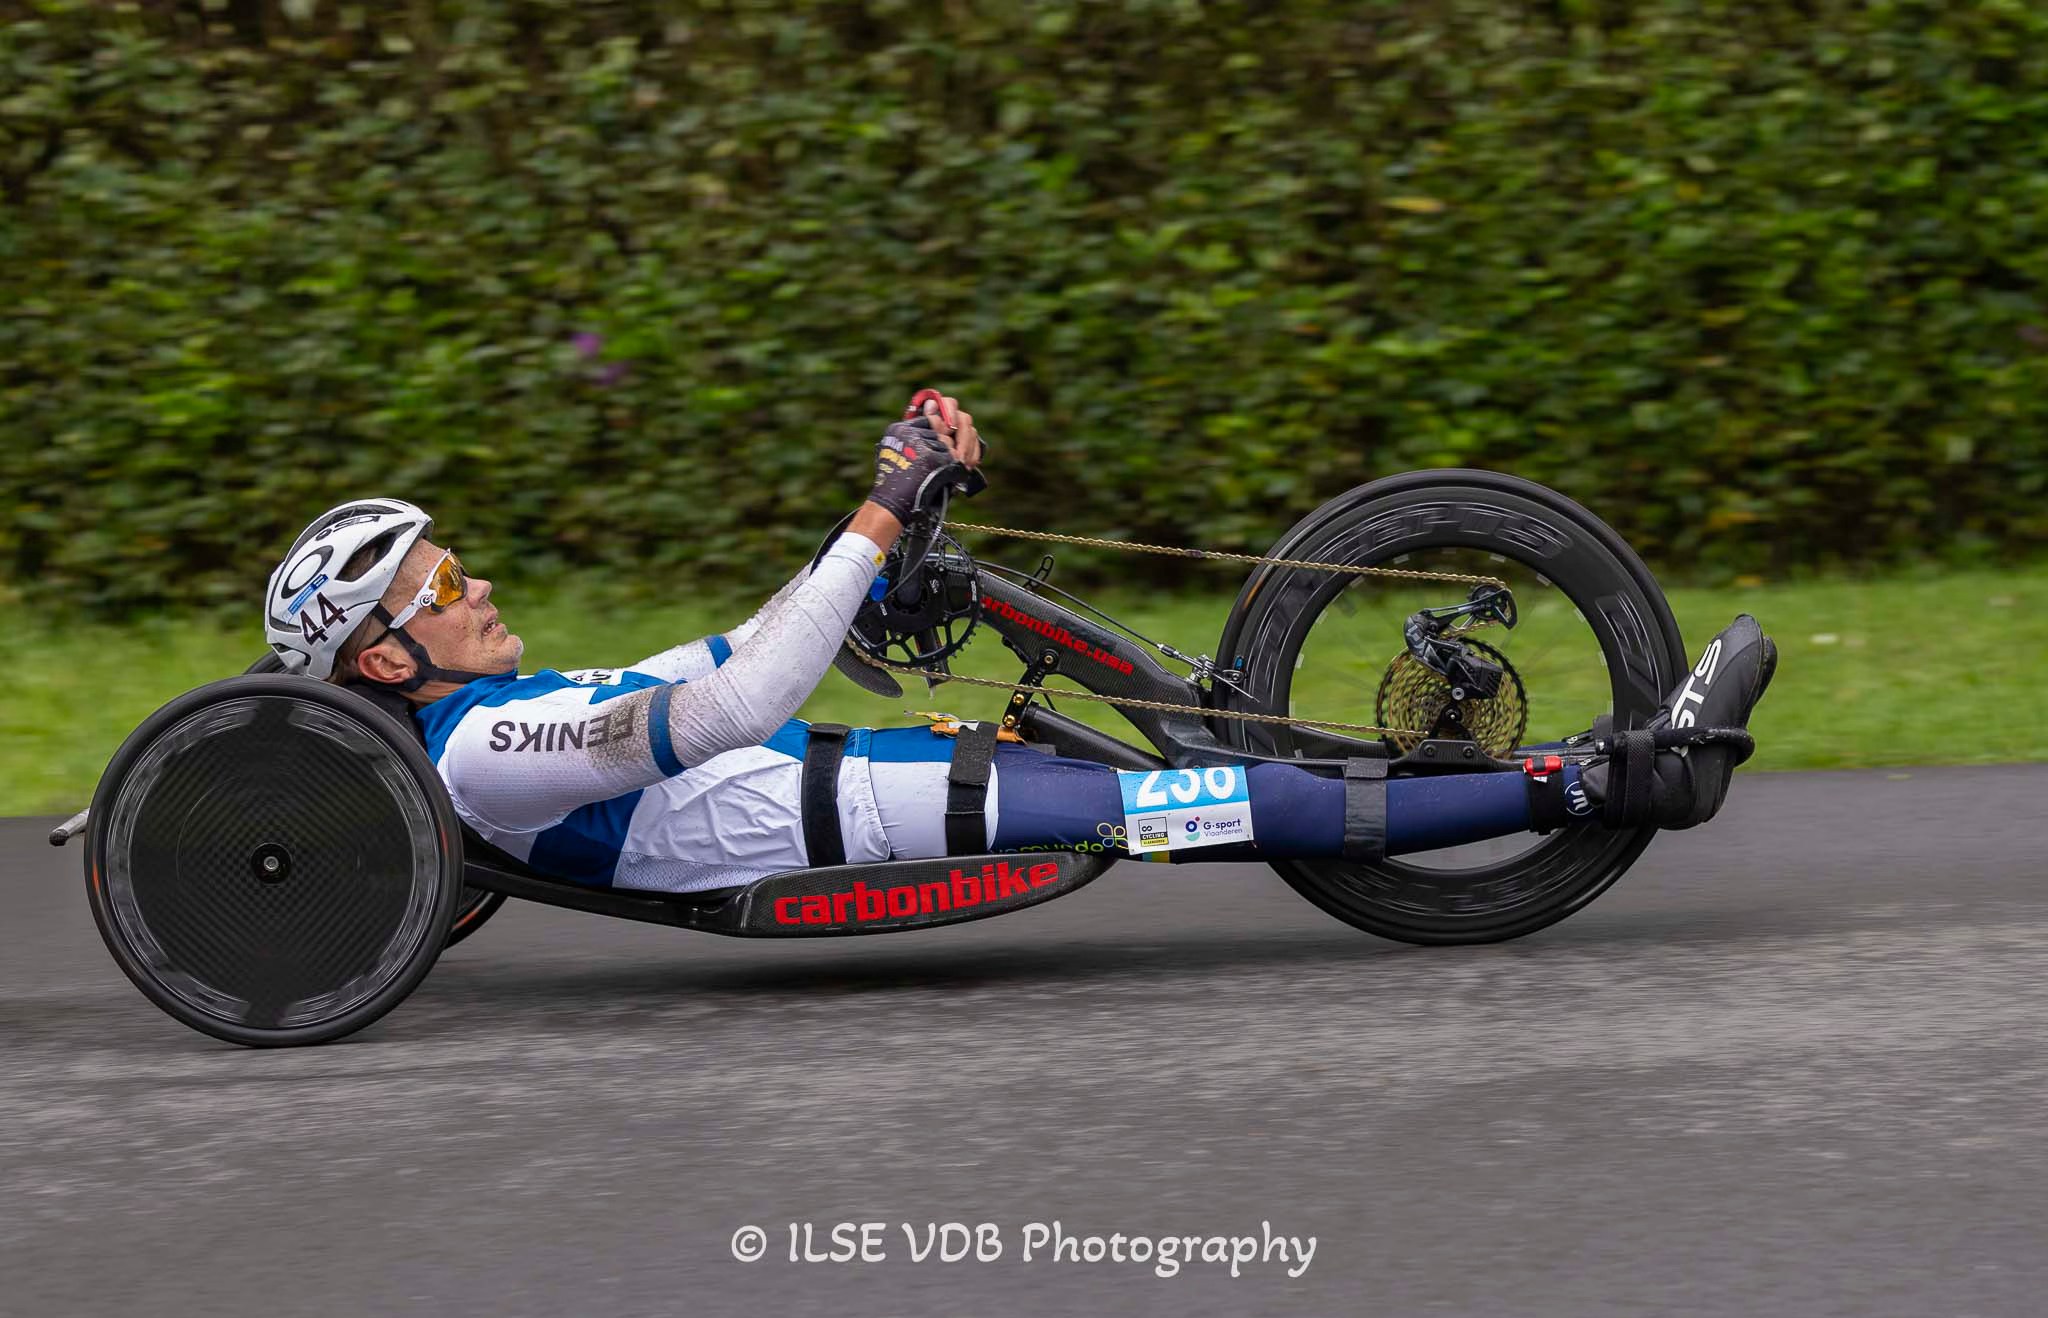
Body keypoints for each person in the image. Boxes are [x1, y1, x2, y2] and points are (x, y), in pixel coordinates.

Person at [261, 394, 1776, 892]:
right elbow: (731, 706)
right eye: (435, 583)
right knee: (1241, 804)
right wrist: (876, 512)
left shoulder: (500, 710)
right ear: (384, 659)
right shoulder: (484, 748)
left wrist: (881, 527)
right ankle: (1609, 778)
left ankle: (1553, 763)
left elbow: (733, 647)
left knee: (1219, 763)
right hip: (889, 814)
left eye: (449, 561)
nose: (471, 583)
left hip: (880, 776)